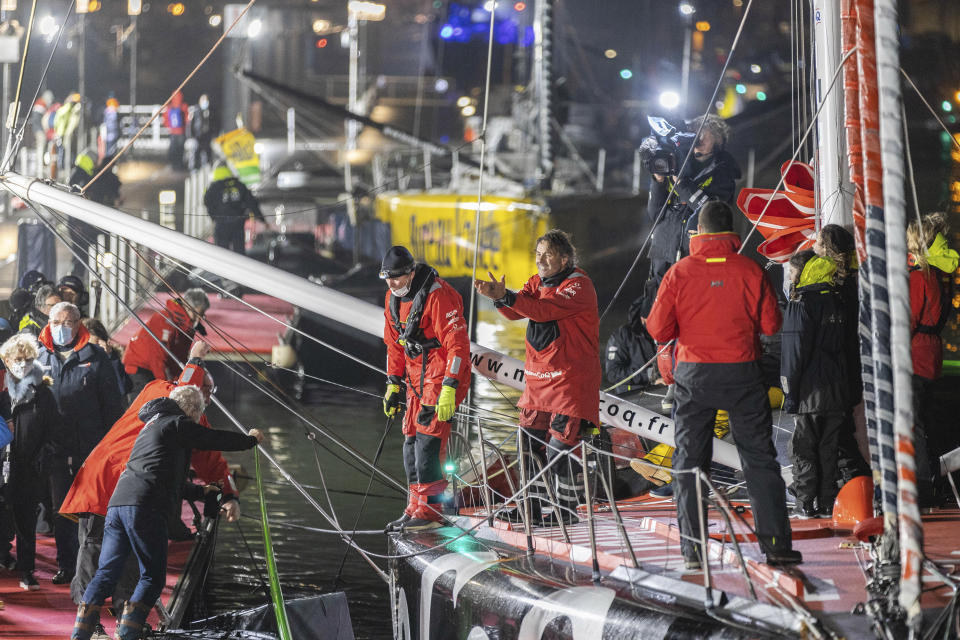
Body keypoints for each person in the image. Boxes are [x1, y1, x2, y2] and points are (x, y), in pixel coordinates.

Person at [645, 201, 800, 568]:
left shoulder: (679, 273)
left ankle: (693, 551)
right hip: (742, 374)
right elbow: (771, 326)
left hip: (694, 376)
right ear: (733, 233)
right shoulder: (750, 270)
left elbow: (657, 329)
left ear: (698, 232)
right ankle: (776, 546)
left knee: (689, 460)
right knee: (760, 459)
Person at [70, 386, 262, 640]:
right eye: (199, 412)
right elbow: (211, 439)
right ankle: (128, 632)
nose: (197, 418)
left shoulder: (152, 426)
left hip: (118, 505)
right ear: (192, 410)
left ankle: (80, 632)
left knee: (106, 572)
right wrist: (250, 441)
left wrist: (202, 492)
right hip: (146, 507)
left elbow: (166, 480)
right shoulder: (177, 423)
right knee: (152, 576)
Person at [62, 341, 239, 609]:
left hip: (129, 493)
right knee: (94, 553)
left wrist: (229, 494)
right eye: (207, 392)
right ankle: (92, 623)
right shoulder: (160, 393)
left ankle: (123, 618)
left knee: (127, 557)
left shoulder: (188, 419)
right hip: (105, 483)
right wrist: (196, 361)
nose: (208, 400)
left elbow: (212, 460)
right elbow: (180, 394)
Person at [475, 229, 601, 526]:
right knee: (526, 445)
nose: (541, 260)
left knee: (559, 451)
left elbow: (542, 311)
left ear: (565, 259)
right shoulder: (536, 282)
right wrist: (499, 299)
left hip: (569, 383)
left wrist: (508, 297)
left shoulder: (579, 286)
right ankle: (529, 510)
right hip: (539, 381)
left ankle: (566, 513)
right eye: (538, 254)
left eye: (548, 255)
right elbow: (518, 312)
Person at [644, 114, 741, 411]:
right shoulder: (677, 161)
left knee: (690, 316)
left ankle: (682, 380)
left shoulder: (723, 170)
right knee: (659, 312)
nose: (696, 135)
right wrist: (659, 179)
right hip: (664, 250)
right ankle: (664, 371)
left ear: (719, 139)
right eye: (692, 129)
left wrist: (681, 182)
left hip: (696, 255)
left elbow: (710, 208)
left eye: (704, 131)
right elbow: (655, 212)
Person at [380, 246, 470, 532]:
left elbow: (457, 344)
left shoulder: (438, 295)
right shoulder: (392, 299)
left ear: (411, 272)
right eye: (387, 278)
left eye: (396, 277)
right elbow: (394, 345)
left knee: (428, 444)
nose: (392, 283)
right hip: (415, 376)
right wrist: (393, 384)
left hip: (440, 373)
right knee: (410, 444)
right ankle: (415, 506)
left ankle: (431, 511)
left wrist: (450, 386)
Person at [36, 301, 125, 584]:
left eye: (67, 322)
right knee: (61, 507)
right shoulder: (40, 358)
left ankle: (90, 565)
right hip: (55, 448)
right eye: (56, 322)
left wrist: (111, 446)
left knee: (90, 510)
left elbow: (112, 405)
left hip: (90, 448)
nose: (62, 328)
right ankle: (66, 564)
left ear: (78, 325)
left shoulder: (96, 358)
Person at [780, 250, 847, 518]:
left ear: (803, 272)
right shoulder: (837, 300)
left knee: (803, 449)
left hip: (809, 391)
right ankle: (828, 502)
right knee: (829, 449)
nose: (790, 279)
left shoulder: (801, 304)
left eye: (792, 273)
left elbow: (793, 355)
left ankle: (806, 503)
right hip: (836, 389)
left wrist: (790, 392)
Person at [0, 333, 65, 591]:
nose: (22, 364)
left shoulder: (43, 394)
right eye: (17, 359)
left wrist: (42, 459)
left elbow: (54, 433)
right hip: (2, 467)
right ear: (6, 360)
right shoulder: (2, 394)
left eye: (27, 359)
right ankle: (5, 556)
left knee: (27, 523)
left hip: (28, 468)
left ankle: (27, 571)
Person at [813, 224, 871, 484]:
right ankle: (850, 476)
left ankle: (855, 477)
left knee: (838, 425)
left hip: (836, 361)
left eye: (818, 242)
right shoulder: (858, 280)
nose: (813, 246)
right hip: (854, 358)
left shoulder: (829, 284)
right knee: (843, 423)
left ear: (827, 249)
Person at [907, 212, 958, 506]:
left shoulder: (919, 278)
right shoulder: (939, 274)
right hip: (932, 354)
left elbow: (908, 320)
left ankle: (921, 486)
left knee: (912, 424)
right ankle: (931, 483)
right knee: (924, 420)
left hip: (915, 355)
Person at [122, 289, 210, 396]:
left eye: (202, 314)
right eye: (198, 313)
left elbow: (179, 358)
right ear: (188, 306)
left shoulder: (187, 327)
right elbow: (157, 356)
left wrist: (180, 383)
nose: (200, 318)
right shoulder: (165, 320)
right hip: (140, 368)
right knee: (145, 405)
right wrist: (166, 387)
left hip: (154, 367)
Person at [67, 150, 122, 275]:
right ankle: (85, 277)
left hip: (87, 225)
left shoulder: (83, 175)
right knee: (82, 256)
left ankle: (96, 275)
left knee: (89, 254)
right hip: (83, 226)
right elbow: (77, 204)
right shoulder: (81, 179)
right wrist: (78, 224)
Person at [604, 293, 659, 396]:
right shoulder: (622, 336)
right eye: (653, 316)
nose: (658, 321)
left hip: (662, 393)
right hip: (632, 397)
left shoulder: (668, 334)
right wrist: (650, 375)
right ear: (643, 318)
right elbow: (613, 373)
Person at [203, 163, 265, 254]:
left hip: (222, 224)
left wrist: (213, 217)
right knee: (239, 251)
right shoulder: (239, 185)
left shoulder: (214, 187)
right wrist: (261, 219)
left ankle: (223, 267)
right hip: (238, 223)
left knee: (222, 253)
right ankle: (239, 267)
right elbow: (252, 203)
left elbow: (207, 202)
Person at [83, 317, 132, 398]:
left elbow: (123, 388)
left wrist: (110, 357)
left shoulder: (111, 359)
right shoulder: (77, 363)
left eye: (95, 346)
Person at [187, 94, 216, 170]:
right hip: (198, 135)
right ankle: (194, 168)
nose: (205, 102)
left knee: (207, 153)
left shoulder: (211, 111)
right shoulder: (195, 110)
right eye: (203, 100)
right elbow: (190, 124)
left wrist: (214, 133)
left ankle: (206, 168)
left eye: (206, 100)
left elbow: (215, 123)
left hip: (207, 135)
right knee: (196, 152)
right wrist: (190, 135)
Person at [163, 91, 188, 170]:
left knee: (173, 149)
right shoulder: (184, 106)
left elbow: (165, 119)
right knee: (180, 149)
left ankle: (173, 164)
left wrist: (169, 127)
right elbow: (187, 119)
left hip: (173, 132)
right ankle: (179, 165)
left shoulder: (169, 107)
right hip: (181, 132)